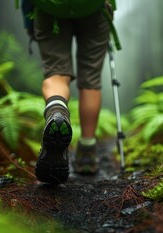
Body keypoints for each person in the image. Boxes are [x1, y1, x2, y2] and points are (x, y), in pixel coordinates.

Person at [21, 0, 112, 184]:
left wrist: (28, 21)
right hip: (94, 9)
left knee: (56, 74)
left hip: (49, 8)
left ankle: (57, 112)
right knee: (90, 82)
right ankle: (87, 154)